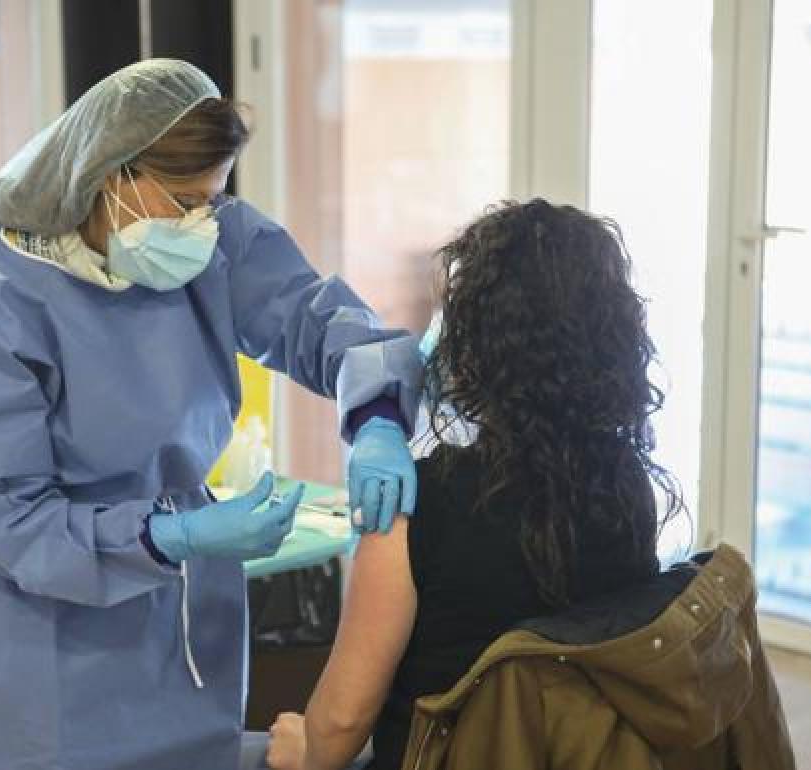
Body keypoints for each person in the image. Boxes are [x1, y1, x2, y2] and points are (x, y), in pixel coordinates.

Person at [0, 59, 421, 770]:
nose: (203, 222)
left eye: (214, 198)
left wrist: (379, 414)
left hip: (171, 610)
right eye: (183, 199)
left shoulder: (209, 240)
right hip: (34, 629)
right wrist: (170, 536)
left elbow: (313, 318)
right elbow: (7, 521)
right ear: (108, 177)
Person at [265, 200, 696, 770]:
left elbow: (341, 724)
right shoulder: (627, 488)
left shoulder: (415, 508)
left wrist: (302, 749)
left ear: (474, 345)